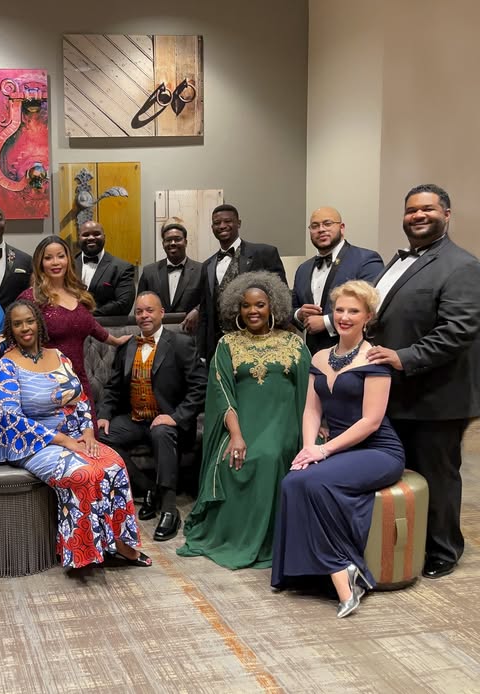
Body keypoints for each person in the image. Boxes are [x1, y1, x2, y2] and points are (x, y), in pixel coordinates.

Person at [272, 281, 404, 618]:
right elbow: (311, 410)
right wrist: (308, 449)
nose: (344, 317)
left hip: (378, 451)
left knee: (312, 483)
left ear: (368, 317)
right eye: (340, 310)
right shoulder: (319, 356)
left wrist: (323, 451)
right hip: (337, 449)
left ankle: (343, 574)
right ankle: (317, 574)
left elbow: (371, 422)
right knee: (292, 481)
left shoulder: (375, 357)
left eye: (353, 311)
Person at [368, 184, 480, 579]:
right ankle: (409, 544)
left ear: (447, 214)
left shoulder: (462, 266)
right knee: (406, 472)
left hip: (437, 396)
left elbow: (458, 330)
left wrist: (404, 357)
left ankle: (443, 550)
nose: (418, 215)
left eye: (427, 209)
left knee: (437, 476)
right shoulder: (397, 261)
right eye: (411, 210)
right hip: (398, 392)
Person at [0, 300, 150, 569]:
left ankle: (118, 544)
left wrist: (88, 433)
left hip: (74, 435)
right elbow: (10, 418)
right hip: (32, 443)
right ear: (10, 330)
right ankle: (84, 552)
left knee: (114, 465)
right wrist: (64, 441)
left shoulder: (59, 356)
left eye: (29, 321)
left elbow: (80, 398)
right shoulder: (7, 365)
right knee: (83, 474)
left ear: (39, 324)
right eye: (17, 324)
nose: (25, 328)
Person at [178, 271, 310, 569]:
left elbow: (307, 390)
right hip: (241, 423)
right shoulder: (227, 344)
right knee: (233, 459)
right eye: (246, 305)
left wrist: (311, 432)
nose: (253, 311)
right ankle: (233, 535)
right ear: (236, 309)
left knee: (268, 457)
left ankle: (268, 540)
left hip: (284, 422)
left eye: (260, 304)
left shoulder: (294, 343)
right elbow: (222, 392)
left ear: (272, 306)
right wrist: (236, 435)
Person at [97, 291, 205, 540]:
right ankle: (148, 488)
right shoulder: (128, 346)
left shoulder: (181, 343)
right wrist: (104, 414)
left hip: (167, 421)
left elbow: (200, 387)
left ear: (162, 313)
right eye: (139, 312)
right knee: (101, 436)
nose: (144, 315)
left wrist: (176, 417)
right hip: (135, 418)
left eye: (149, 310)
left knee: (162, 432)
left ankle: (169, 509)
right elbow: (113, 388)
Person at [18, 236, 130, 412]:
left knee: (88, 429)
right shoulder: (31, 297)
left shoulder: (78, 293)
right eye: (48, 258)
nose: (56, 262)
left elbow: (90, 325)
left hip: (80, 381)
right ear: (40, 263)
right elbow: (13, 334)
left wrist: (115, 341)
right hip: (47, 385)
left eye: (61, 256)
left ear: (68, 259)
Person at [196, 204, 287, 362]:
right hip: (218, 347)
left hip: (258, 343)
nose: (222, 226)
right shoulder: (207, 265)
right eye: (217, 223)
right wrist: (202, 352)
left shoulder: (264, 253)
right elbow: (205, 313)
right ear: (212, 228)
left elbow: (281, 300)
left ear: (238, 223)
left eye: (227, 221)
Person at [292, 208, 383, 353]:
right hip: (312, 355)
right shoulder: (303, 269)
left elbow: (373, 306)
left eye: (327, 224)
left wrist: (326, 322)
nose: (321, 229)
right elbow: (292, 307)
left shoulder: (366, 260)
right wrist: (299, 314)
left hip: (354, 354)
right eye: (315, 226)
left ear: (342, 228)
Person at [137, 221, 202, 332]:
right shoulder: (149, 272)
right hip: (157, 332)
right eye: (168, 240)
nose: (172, 243)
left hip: (191, 332)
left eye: (177, 239)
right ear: (163, 244)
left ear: (186, 242)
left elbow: (209, 299)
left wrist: (197, 310)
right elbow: (141, 304)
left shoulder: (201, 270)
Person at [75, 220, 135, 317]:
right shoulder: (68, 265)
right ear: (79, 238)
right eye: (86, 235)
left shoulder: (122, 268)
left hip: (105, 324)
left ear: (104, 237)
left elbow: (123, 304)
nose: (91, 238)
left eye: (96, 234)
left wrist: (87, 315)